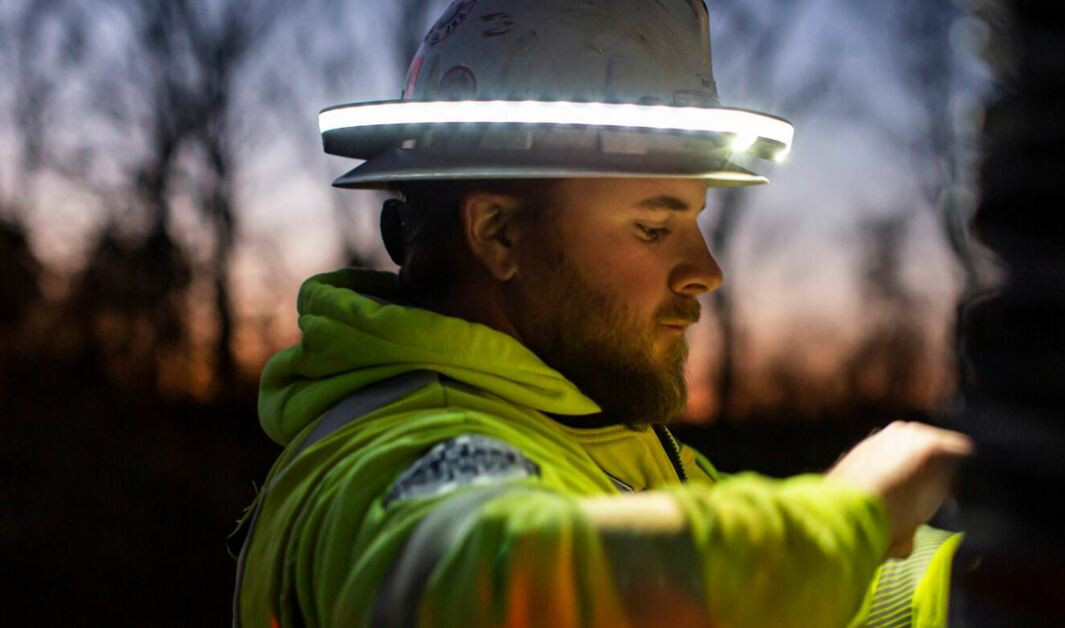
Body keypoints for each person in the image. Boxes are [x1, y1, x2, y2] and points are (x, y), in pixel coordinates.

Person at [233, 1, 972, 626]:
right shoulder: (389, 457)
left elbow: (815, 596)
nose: (705, 272)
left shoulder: (607, 441)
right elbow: (500, 582)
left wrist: (983, 574)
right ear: (498, 233)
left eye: (695, 223)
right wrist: (851, 513)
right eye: (655, 228)